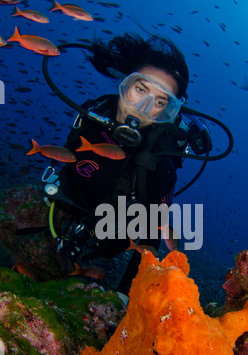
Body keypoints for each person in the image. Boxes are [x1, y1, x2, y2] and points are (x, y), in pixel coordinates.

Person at [50, 33, 190, 303]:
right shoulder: (93, 114)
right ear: (124, 84)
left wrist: (124, 295)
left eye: (160, 102)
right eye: (140, 89)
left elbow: (152, 235)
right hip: (57, 217)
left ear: (168, 112)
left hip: (107, 243)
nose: (143, 109)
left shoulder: (160, 165)